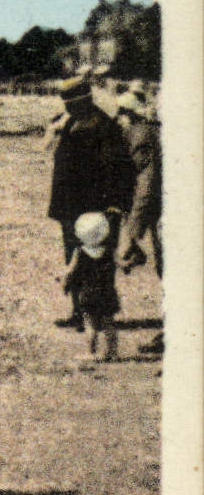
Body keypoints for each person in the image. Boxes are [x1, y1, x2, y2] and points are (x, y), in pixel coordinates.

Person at [47, 77, 135, 327]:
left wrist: (115, 205)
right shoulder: (74, 121)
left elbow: (117, 169)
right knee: (74, 258)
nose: (67, 108)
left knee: (97, 261)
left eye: (71, 103)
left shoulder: (102, 127)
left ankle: (98, 315)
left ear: (84, 101)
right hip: (71, 206)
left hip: (93, 208)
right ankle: (79, 312)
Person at [115, 88, 162, 354]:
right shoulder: (142, 133)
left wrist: (133, 234)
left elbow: (146, 187)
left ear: (128, 114)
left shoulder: (141, 136)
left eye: (120, 114)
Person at [63, 211, 119, 362]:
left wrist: (65, 283)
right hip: (107, 293)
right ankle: (112, 352)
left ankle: (91, 352)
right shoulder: (110, 251)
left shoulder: (79, 252)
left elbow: (70, 271)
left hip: (88, 293)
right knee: (109, 324)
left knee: (91, 325)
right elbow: (122, 264)